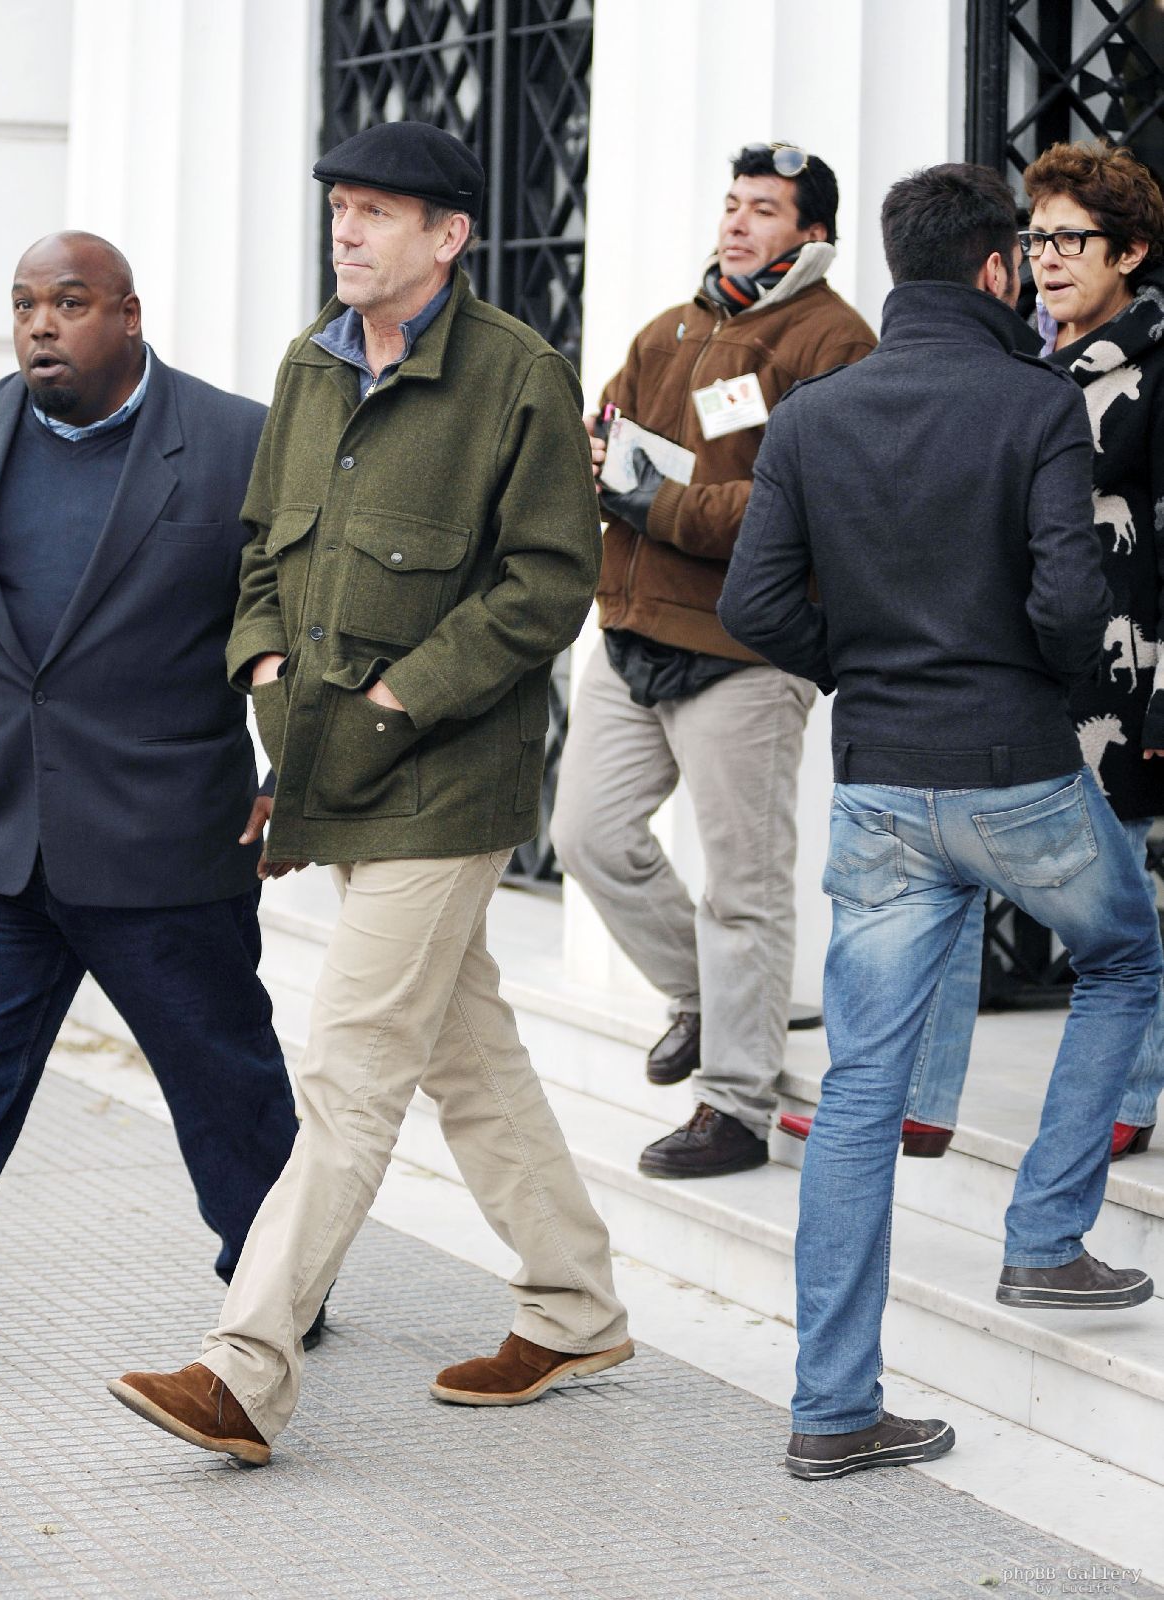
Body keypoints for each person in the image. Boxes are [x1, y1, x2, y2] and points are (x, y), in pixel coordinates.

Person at [107, 121, 631, 1467]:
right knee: (467, 1052)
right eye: (341, 206)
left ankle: (246, 1367)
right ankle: (575, 1304)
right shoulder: (311, 361)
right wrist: (265, 667)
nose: (346, 229)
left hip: (445, 779)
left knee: (350, 1068)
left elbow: (547, 584)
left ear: (448, 237)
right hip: (331, 765)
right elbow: (263, 549)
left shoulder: (517, 375)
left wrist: (399, 699)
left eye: (377, 211)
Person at [719, 163, 1159, 1479]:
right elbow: (1069, 604)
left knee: (860, 1093)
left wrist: (861, 668)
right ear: (992, 269)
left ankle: (831, 1410)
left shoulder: (812, 415)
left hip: (877, 785)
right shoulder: (1035, 401)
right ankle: (1042, 1239)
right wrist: (1032, 682)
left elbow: (752, 607)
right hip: (1017, 771)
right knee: (1126, 957)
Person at [0, 232, 322, 1336]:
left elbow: (299, 620)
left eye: (69, 302)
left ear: (129, 315)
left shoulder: (236, 442)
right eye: (25, 303)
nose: (41, 325)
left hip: (166, 842)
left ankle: (277, 1295)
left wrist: (291, 771)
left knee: (227, 1089)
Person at [782, 142, 1164, 1166]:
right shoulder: (1016, 362)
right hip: (1003, 675)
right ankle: (915, 1097)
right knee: (944, 876)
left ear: (1129, 252)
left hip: (1120, 672)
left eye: (1072, 239)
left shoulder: (1153, 367)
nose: (1047, 258)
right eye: (1036, 239)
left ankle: (1128, 1095)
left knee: (1123, 897)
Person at [551, 143, 876, 1180]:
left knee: (745, 886)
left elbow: (804, 498)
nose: (736, 222)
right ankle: (703, 997)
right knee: (587, 836)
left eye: (763, 209)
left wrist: (657, 504)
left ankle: (735, 1105)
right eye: (732, 203)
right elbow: (601, 440)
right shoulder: (672, 328)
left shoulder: (836, 341)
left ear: (811, 233)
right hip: (633, 629)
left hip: (747, 648)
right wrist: (607, 467)